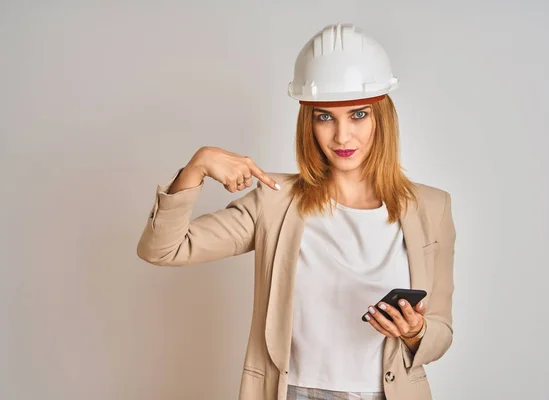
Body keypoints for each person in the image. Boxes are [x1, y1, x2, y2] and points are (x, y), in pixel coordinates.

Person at [137, 23, 456, 400]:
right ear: (308, 121)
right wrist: (198, 167)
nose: (341, 136)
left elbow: (441, 334)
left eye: (358, 115)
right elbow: (162, 249)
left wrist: (415, 330)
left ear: (382, 117)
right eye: (325, 117)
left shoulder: (431, 208)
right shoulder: (275, 201)